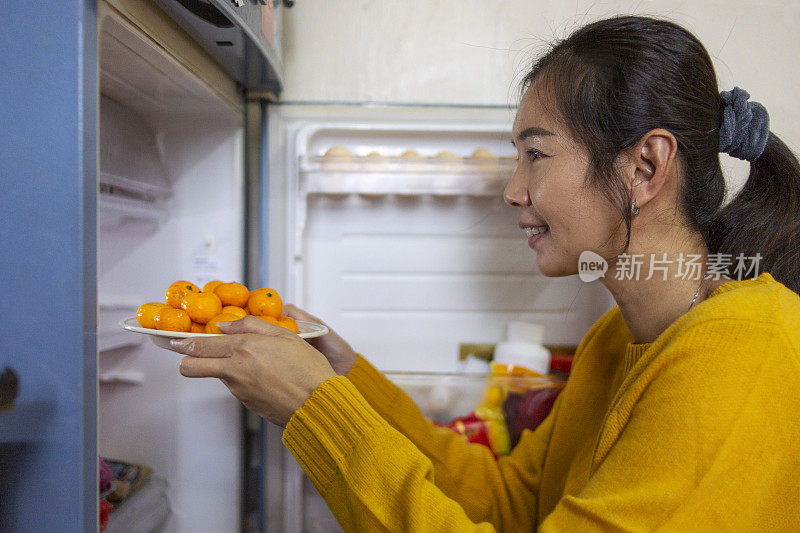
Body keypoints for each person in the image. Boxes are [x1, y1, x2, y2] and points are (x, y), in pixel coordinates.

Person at [169, 15, 800, 531]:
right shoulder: (616, 340)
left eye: (535, 154)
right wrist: (343, 378)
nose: (513, 190)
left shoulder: (743, 361)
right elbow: (512, 502)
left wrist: (318, 411)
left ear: (645, 167)